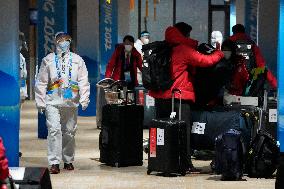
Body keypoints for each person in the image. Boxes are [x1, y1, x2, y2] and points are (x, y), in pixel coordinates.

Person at [148, 22, 224, 172]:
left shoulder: (163, 47)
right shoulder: (183, 49)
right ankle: (185, 163)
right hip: (179, 97)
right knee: (183, 131)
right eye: (188, 34)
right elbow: (205, 61)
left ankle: (159, 161)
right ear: (184, 35)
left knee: (160, 130)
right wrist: (219, 53)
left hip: (160, 97)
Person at [35, 32, 90, 174]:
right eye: (61, 40)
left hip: (71, 101)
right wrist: (40, 101)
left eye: (67, 40)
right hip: (52, 100)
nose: (64, 42)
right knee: (54, 129)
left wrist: (84, 98)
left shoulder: (78, 60)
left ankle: (68, 160)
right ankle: (54, 162)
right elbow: (41, 81)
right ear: (56, 42)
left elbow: (84, 80)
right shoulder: (48, 59)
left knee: (69, 132)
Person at [226, 24, 277, 96]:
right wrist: (276, 85)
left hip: (232, 81)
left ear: (233, 32)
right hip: (249, 78)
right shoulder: (252, 44)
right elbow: (261, 65)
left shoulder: (227, 43)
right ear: (244, 32)